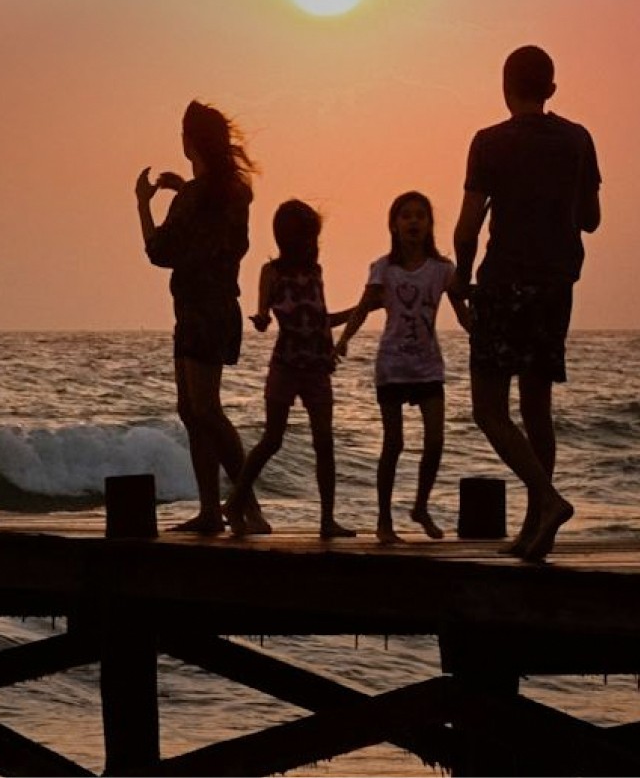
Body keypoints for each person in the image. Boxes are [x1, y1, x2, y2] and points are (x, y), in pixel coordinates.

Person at [452, 44, 601, 562]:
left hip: (503, 284)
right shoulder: (579, 139)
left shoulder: (489, 143)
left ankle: (548, 500)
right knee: (538, 406)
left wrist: (461, 281)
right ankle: (537, 531)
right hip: (557, 286)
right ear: (552, 89)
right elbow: (591, 219)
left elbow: (467, 228)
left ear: (504, 85)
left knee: (489, 408)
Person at [137, 100, 267, 534]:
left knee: (205, 410)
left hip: (199, 311)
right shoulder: (233, 192)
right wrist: (182, 191)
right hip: (215, 308)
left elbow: (160, 252)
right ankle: (212, 510)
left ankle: (248, 507)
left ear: (191, 141)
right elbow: (212, 227)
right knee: (191, 410)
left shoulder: (199, 197)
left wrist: (143, 204)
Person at [334, 192, 470, 544]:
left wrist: (484, 336)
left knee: (436, 440)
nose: (413, 222)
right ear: (393, 224)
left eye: (420, 216)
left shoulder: (443, 269)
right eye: (405, 216)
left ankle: (421, 506)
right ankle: (383, 521)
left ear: (429, 225)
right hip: (392, 365)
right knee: (393, 443)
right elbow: (364, 308)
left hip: (428, 367)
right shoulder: (384, 268)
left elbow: (464, 313)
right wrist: (343, 340)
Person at [225, 200, 354, 538]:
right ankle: (236, 500)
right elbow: (265, 315)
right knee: (272, 439)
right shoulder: (273, 273)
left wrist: (357, 313)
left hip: (316, 368)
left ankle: (327, 520)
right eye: (306, 237)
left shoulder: (316, 271)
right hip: (285, 364)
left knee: (324, 442)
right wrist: (261, 319)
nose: (312, 244)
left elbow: (321, 319)